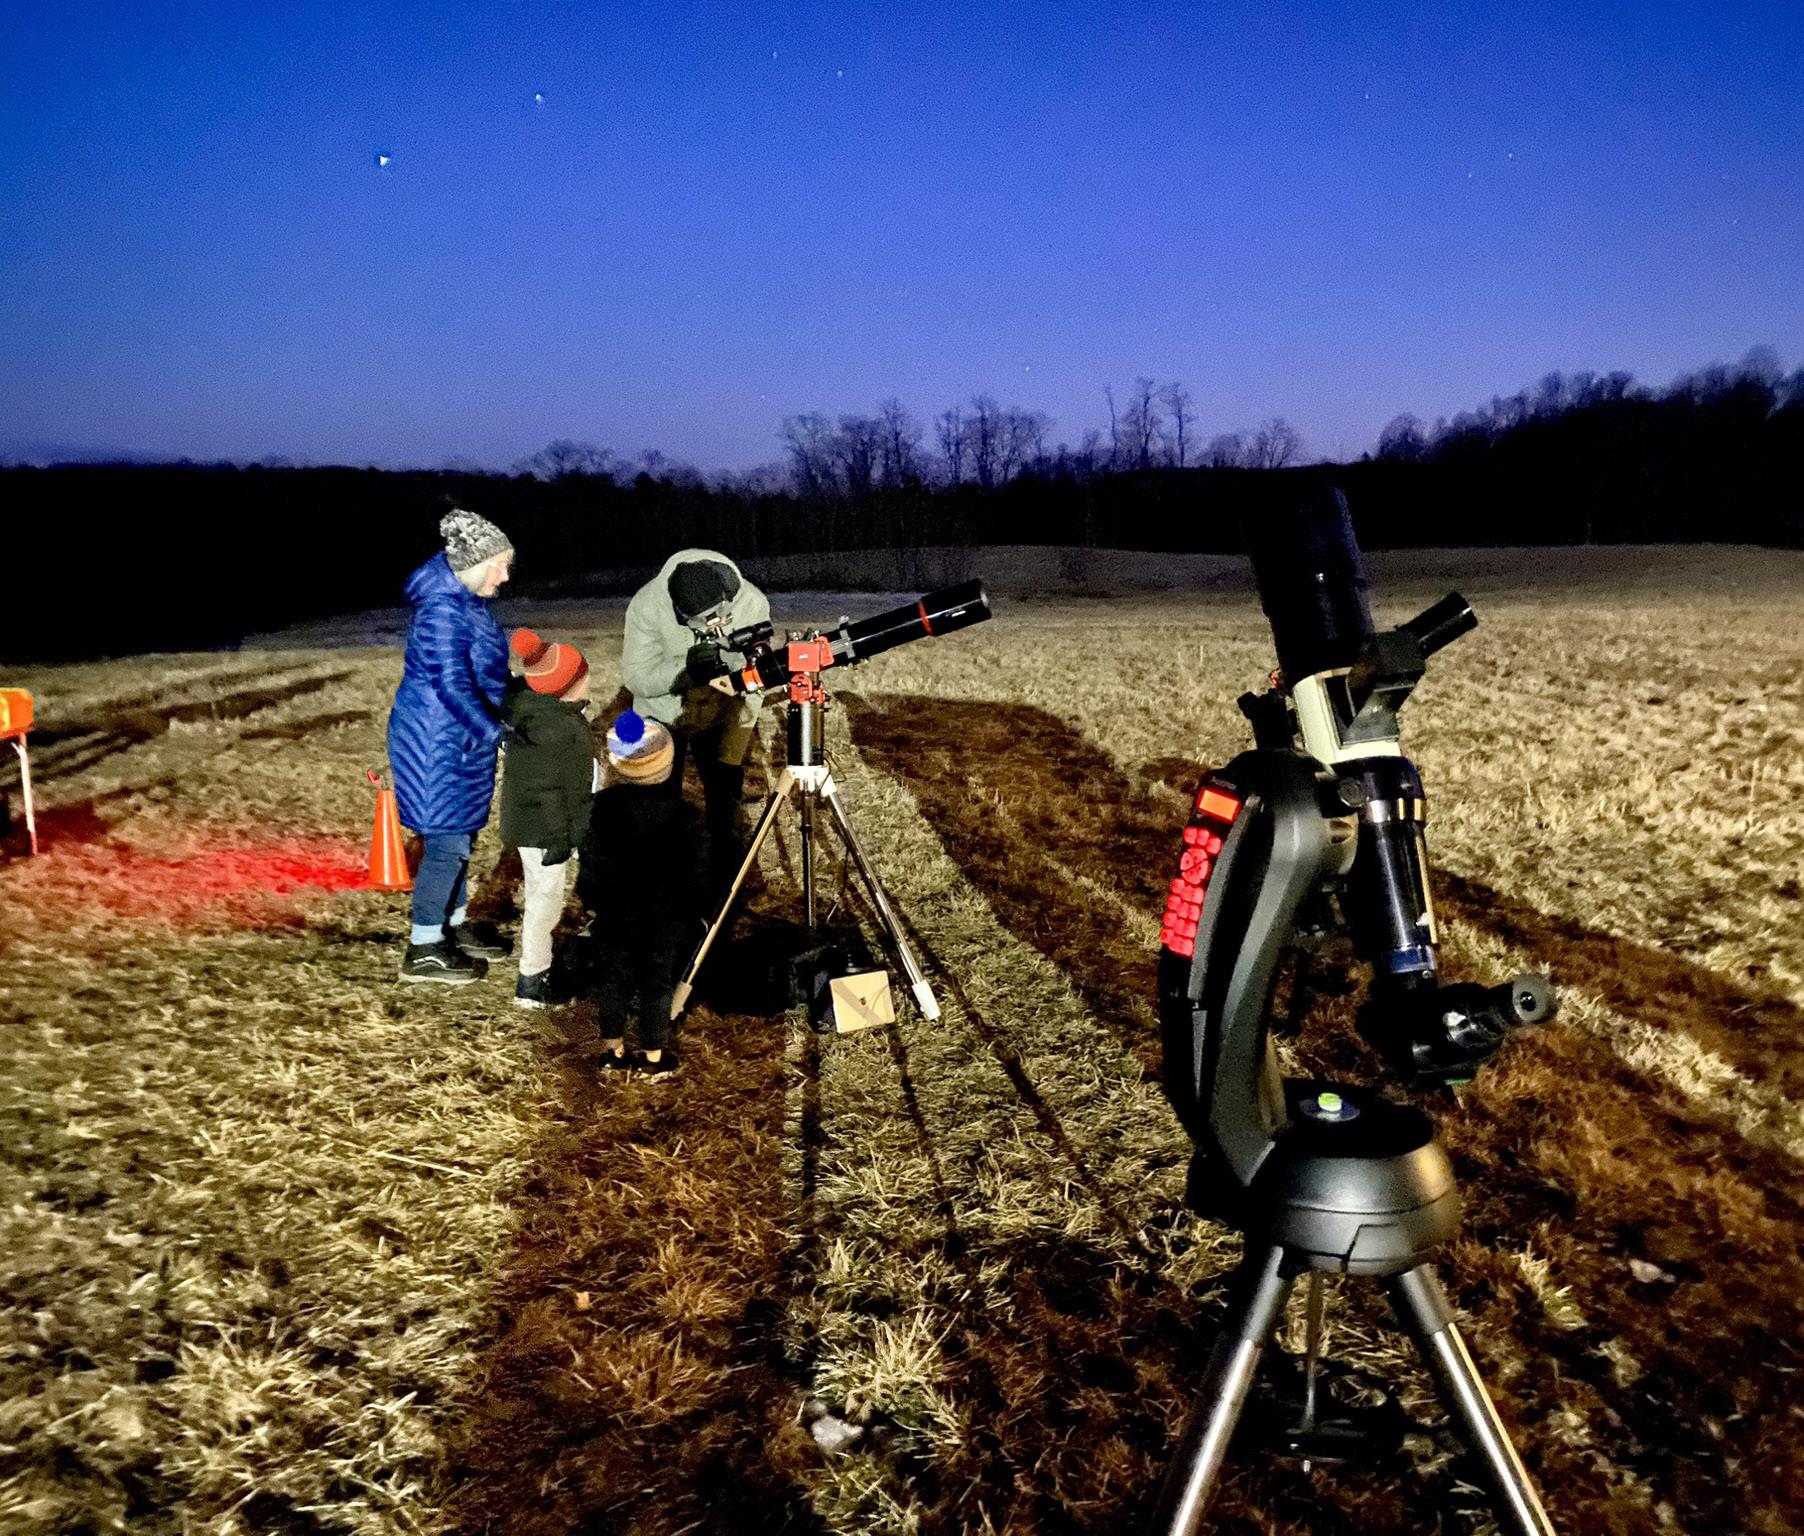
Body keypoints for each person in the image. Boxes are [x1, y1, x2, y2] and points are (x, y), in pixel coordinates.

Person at [386, 506, 516, 984]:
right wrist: (496, 733)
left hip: (457, 736)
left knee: (459, 836)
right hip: (436, 741)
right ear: (473, 565)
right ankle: (424, 947)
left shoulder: (465, 603)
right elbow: (451, 683)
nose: (505, 576)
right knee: (446, 840)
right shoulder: (441, 610)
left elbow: (482, 671)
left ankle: (451, 927)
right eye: (498, 565)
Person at [622, 549, 769, 880]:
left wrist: (733, 750)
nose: (712, 627)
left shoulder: (751, 603)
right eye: (700, 621)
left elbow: (754, 681)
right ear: (679, 612)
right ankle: (662, 882)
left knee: (725, 797)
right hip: (662, 714)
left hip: (719, 712)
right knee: (657, 805)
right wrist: (686, 669)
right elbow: (637, 678)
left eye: (718, 617)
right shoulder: (647, 605)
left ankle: (727, 881)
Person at [576, 711, 701, 1077]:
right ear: (667, 766)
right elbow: (695, 872)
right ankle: (652, 1056)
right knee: (656, 982)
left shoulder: (597, 809)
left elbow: (590, 861)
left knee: (612, 978)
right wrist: (694, 908)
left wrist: (591, 901)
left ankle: (612, 1050)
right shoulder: (685, 816)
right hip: (663, 915)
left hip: (612, 911)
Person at [499, 627, 596, 1009]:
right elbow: (546, 791)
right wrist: (559, 839)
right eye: (583, 677)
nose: (589, 682)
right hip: (544, 831)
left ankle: (539, 967)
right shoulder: (556, 728)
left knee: (546, 895)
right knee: (545, 900)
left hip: (541, 824)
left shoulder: (542, 713)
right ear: (566, 687)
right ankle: (532, 979)